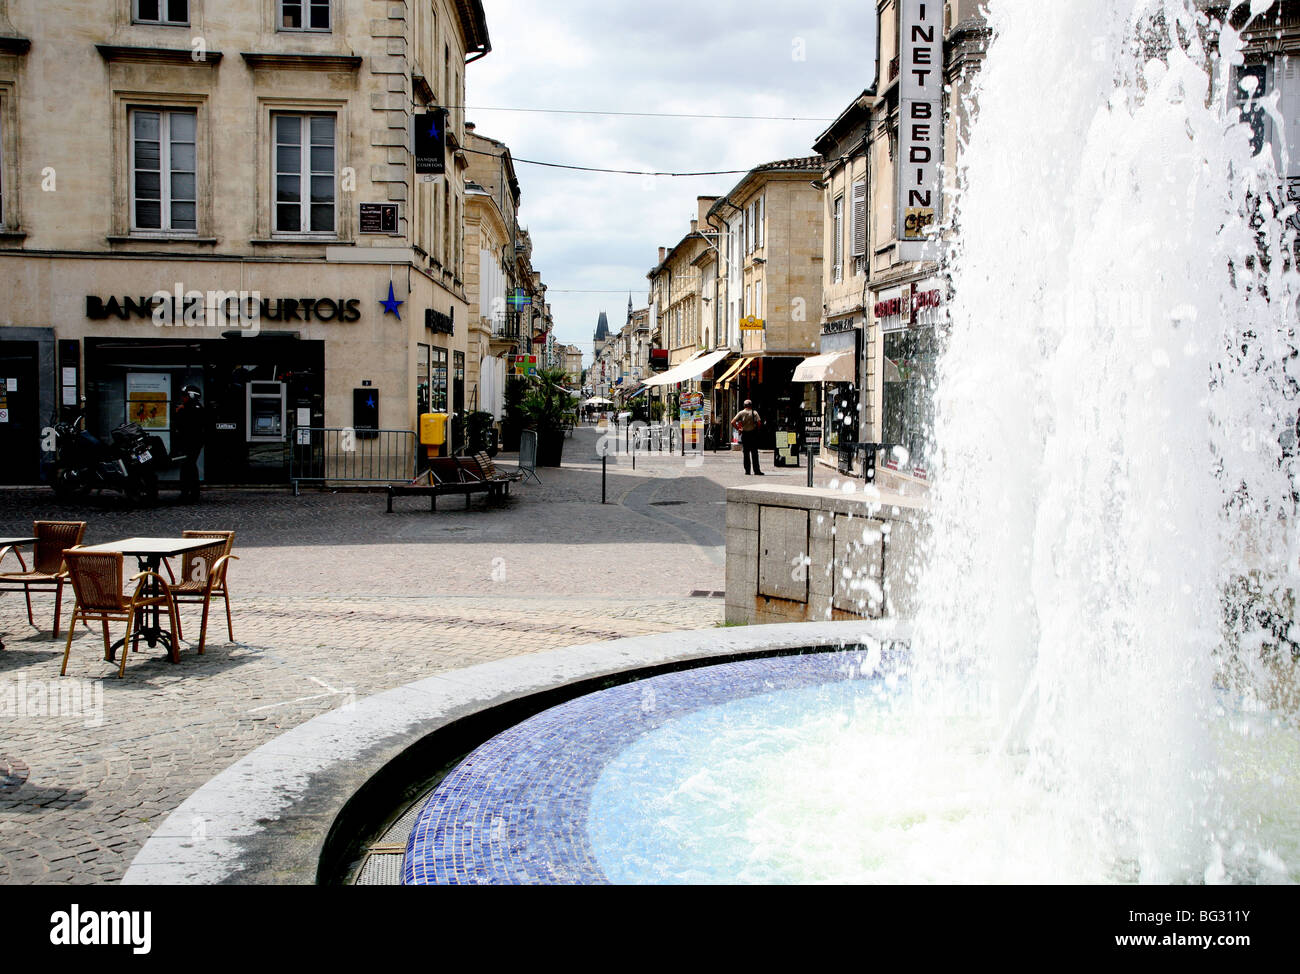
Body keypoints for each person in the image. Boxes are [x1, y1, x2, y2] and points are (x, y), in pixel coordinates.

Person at [172, 384, 206, 503]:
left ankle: (188, 493)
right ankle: (191, 492)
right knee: (189, 466)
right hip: (193, 442)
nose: (183, 398)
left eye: (185, 395)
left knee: (188, 466)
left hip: (190, 442)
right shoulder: (195, 407)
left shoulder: (190, 409)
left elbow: (183, 425)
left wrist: (178, 412)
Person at [731, 399, 764, 475]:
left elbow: (732, 422)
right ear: (751, 405)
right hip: (753, 435)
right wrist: (756, 428)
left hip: (745, 434)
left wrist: (738, 429)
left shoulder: (741, 413)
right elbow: (759, 423)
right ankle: (756, 470)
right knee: (754, 453)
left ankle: (747, 471)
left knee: (746, 453)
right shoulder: (754, 412)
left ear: (744, 405)